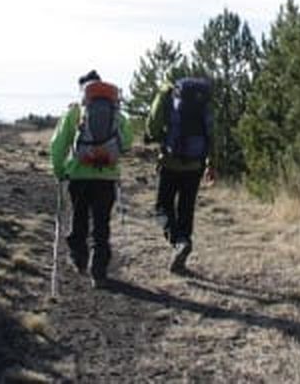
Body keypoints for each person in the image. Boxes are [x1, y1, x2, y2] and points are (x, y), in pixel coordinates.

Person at [50, 70, 133, 289]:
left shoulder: (75, 112)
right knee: (101, 224)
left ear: (83, 90)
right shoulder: (117, 114)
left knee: (79, 218)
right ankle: (99, 271)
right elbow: (127, 143)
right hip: (106, 178)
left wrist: (59, 170)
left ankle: (79, 258)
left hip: (78, 175)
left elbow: (58, 144)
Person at [145, 77, 214, 274]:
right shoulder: (202, 100)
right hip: (195, 163)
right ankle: (183, 249)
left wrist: (159, 138)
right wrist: (211, 162)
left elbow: (153, 126)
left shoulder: (167, 94)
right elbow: (211, 132)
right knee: (186, 207)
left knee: (162, 207)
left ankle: (178, 242)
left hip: (171, 161)